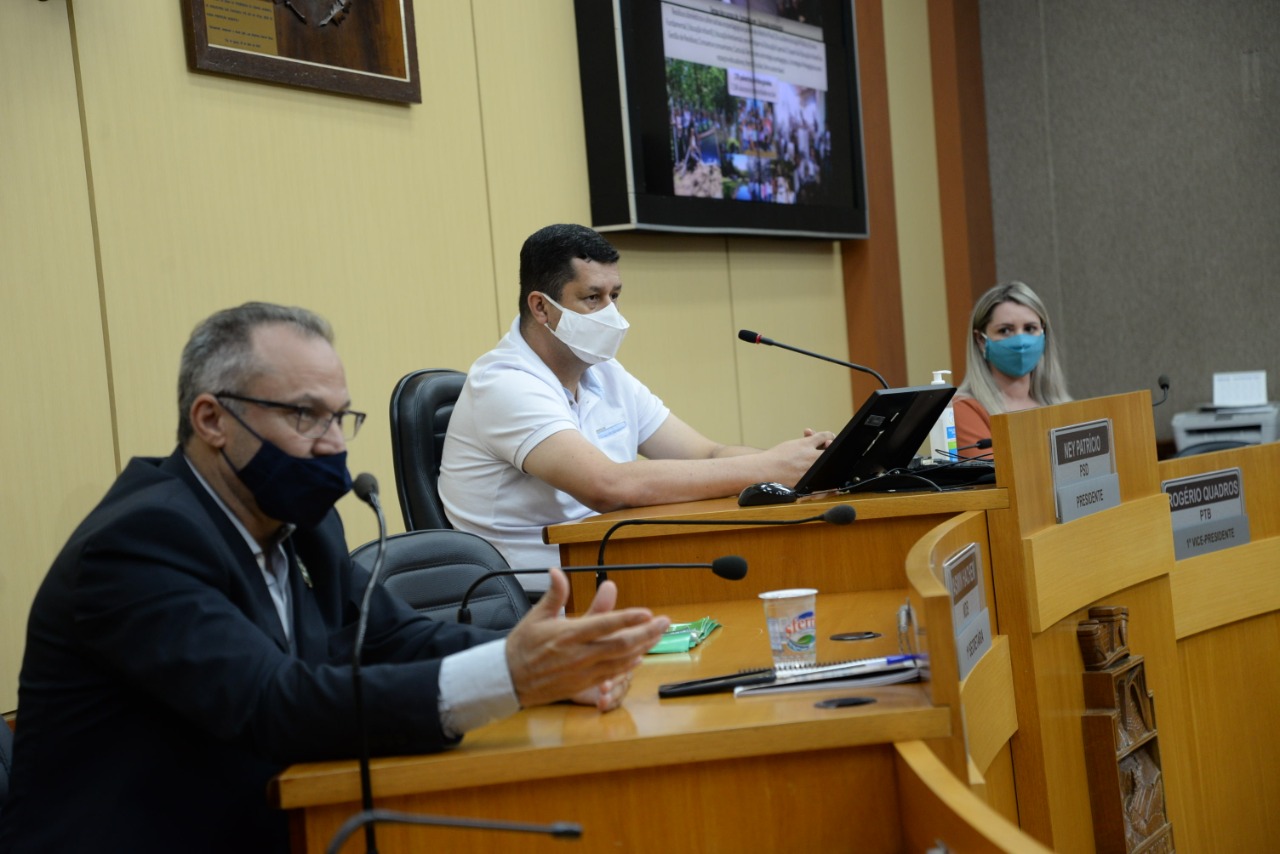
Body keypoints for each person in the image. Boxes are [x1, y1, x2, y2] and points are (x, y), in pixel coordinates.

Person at [0, 303, 668, 854]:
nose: (333, 444)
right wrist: (510, 678)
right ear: (211, 420)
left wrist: (543, 665)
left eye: (339, 417)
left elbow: (392, 638)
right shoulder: (141, 543)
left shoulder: (302, 525)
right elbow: (271, 702)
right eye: (303, 415)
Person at [439, 224, 833, 587]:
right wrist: (769, 468)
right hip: (537, 600)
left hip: (612, 569)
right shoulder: (505, 383)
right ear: (541, 308)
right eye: (592, 298)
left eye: (615, 296)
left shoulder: (605, 372)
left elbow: (706, 453)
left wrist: (804, 469)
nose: (611, 313)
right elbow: (608, 487)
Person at [953, 281, 1071, 455]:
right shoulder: (964, 409)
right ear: (981, 341)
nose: (1021, 341)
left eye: (1030, 328)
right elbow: (995, 478)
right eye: (1005, 331)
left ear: (1044, 334)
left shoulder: (1063, 407)